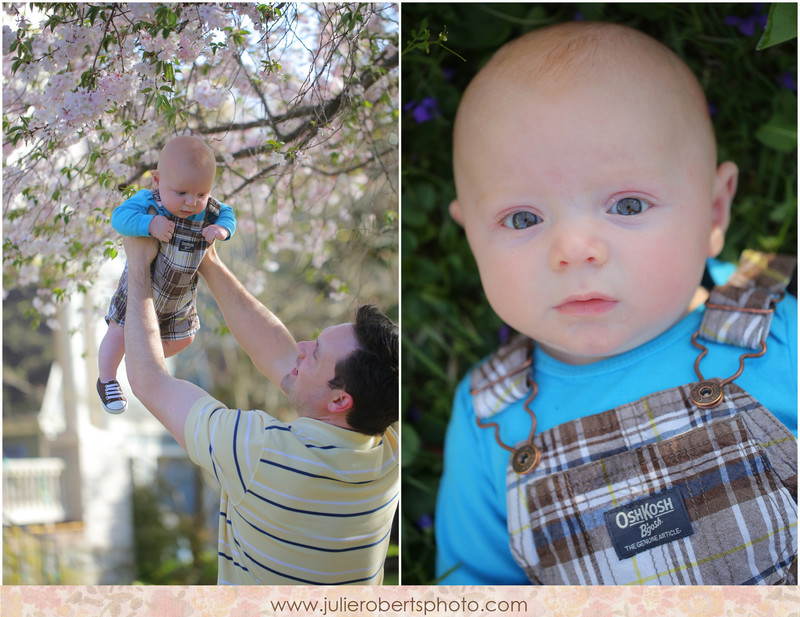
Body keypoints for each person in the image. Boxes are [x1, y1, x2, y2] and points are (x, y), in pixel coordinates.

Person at [436, 21, 797, 585]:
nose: (574, 250)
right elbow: (477, 585)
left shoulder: (780, 332)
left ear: (715, 213)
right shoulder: (489, 415)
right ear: (471, 235)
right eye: (523, 218)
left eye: (628, 205)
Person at [120, 235, 399, 585]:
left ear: (340, 401)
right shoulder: (388, 449)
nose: (301, 346)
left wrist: (137, 263)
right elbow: (280, 357)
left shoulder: (258, 452)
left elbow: (149, 381)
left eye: (315, 354)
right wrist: (208, 261)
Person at [97, 135, 236, 413]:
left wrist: (222, 229)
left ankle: (141, 357)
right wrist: (149, 224)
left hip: (179, 300)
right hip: (140, 293)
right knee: (119, 332)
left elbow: (228, 213)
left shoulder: (208, 211)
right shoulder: (149, 201)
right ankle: (107, 378)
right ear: (157, 181)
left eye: (201, 194)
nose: (191, 202)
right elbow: (119, 218)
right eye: (182, 193)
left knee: (186, 337)